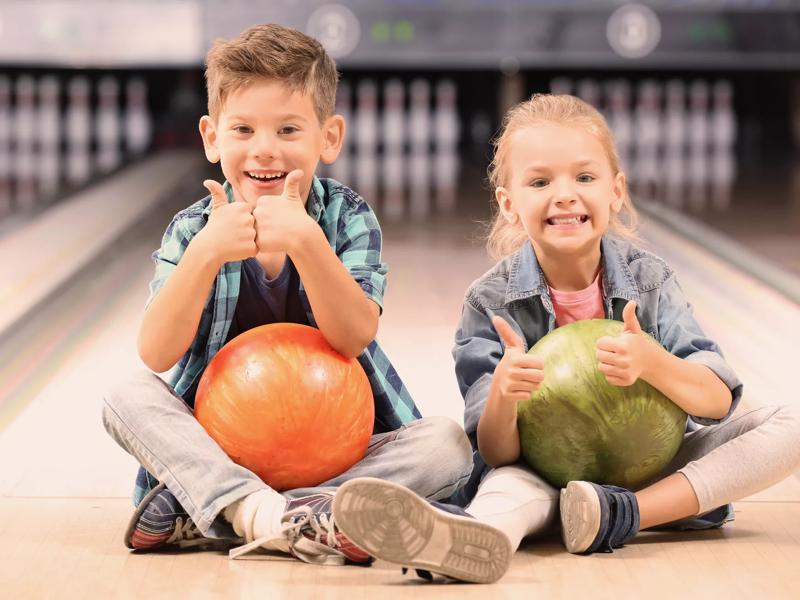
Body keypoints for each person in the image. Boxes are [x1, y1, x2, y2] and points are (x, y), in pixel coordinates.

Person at [333, 93, 800, 582]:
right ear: (509, 205)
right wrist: (505, 397)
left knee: (789, 423)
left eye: (585, 177)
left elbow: (716, 401)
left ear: (615, 192)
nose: (565, 194)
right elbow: (497, 452)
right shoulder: (490, 302)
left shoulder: (650, 281)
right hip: (542, 474)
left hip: (655, 468)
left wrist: (654, 363)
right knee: (507, 489)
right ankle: (474, 537)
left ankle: (625, 513)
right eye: (540, 182)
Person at [101, 23, 472, 566]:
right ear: (211, 138)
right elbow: (157, 354)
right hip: (219, 449)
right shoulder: (192, 229)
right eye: (244, 129)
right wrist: (205, 254)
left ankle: (237, 513)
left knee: (448, 446)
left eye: (289, 130)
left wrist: (307, 242)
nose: (265, 150)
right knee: (124, 395)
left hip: (337, 458)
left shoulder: (348, 219)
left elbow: (353, 336)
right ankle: (292, 517)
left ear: (329, 137)